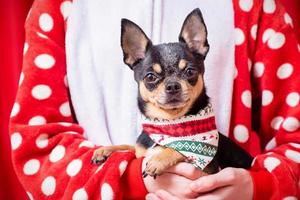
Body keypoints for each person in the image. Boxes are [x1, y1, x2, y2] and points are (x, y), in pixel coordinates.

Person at [9, 0, 299, 199]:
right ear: (132, 58)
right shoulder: (63, 8)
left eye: (188, 75)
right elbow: (37, 143)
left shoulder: (253, 6)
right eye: (153, 78)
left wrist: (258, 187)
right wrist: (134, 178)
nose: (172, 87)